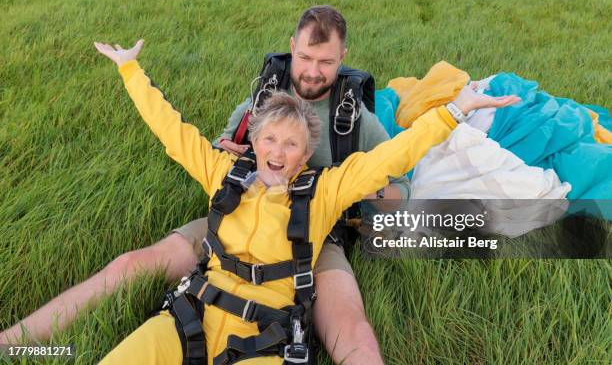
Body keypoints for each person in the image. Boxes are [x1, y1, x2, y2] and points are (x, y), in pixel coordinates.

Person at [1, 6, 407, 364]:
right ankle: (13, 344)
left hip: (318, 234)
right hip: (239, 218)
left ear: (343, 58)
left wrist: (360, 187)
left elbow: (401, 192)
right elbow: (215, 149)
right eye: (304, 57)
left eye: (326, 61)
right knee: (130, 266)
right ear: (291, 47)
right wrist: (228, 153)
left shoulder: (356, 118)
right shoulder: (264, 96)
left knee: (353, 333)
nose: (313, 71)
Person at [91, 36, 517, 364]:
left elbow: (396, 154)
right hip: (189, 318)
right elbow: (171, 129)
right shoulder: (222, 173)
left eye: (291, 144)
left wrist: (455, 110)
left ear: (305, 153)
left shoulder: (325, 191)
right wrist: (131, 70)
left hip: (262, 337)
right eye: (270, 139)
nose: (278, 152)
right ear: (254, 140)